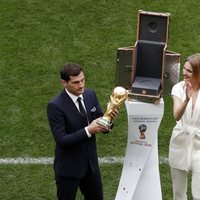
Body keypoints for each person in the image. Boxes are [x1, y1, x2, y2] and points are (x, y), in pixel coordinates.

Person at [47, 62, 118, 200]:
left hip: (91, 167)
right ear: (64, 83)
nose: (81, 85)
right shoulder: (55, 106)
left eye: (83, 80)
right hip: (68, 169)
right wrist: (88, 130)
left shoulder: (90, 94)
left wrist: (108, 119)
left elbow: (99, 119)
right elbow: (62, 140)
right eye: (76, 82)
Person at [168, 53, 200, 200]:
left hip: (199, 143)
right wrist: (186, 100)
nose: (184, 73)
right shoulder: (178, 88)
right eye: (184, 69)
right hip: (179, 141)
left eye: (189, 71)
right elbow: (176, 115)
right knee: (179, 194)